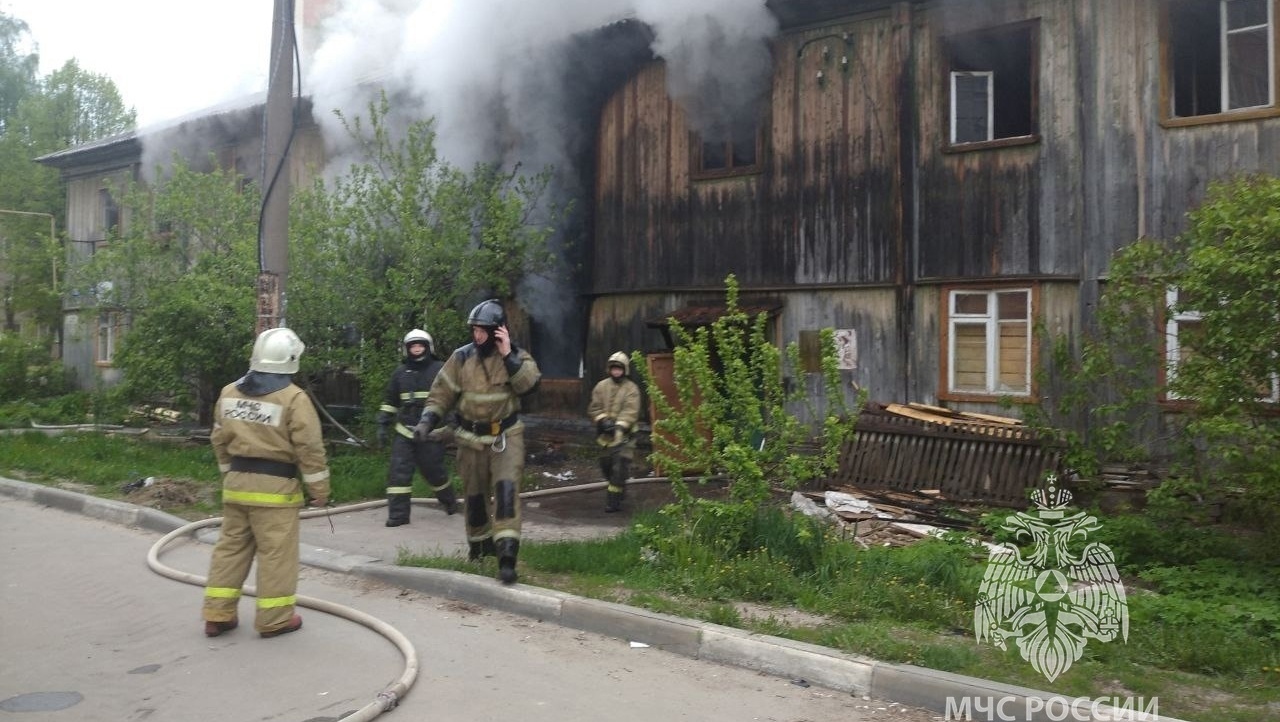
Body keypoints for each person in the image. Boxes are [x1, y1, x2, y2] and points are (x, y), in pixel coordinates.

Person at [202, 327, 331, 639]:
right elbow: (309, 448)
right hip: (275, 492)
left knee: (230, 550)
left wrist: (228, 474)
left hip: (236, 486)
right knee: (276, 555)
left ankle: (217, 615)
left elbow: (218, 439)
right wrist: (320, 490)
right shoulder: (294, 399)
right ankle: (274, 619)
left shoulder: (229, 392)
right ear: (290, 359)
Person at [415, 299, 541, 584]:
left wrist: (509, 357)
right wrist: (427, 422)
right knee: (474, 499)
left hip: (505, 438)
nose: (477, 335)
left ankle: (507, 557)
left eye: (483, 330)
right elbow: (441, 393)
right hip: (470, 439)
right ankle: (480, 549)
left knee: (506, 494)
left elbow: (529, 387)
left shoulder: (518, 357)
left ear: (499, 331)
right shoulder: (461, 358)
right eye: (474, 330)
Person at [376, 328, 458, 526]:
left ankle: (449, 501)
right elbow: (390, 401)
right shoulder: (400, 373)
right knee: (398, 472)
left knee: (434, 472)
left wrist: (453, 424)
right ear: (406, 349)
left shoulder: (441, 369)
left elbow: (452, 398)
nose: (417, 349)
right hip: (404, 431)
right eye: (413, 346)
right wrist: (382, 423)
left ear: (428, 347)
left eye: (420, 345)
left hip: (430, 432)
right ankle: (398, 516)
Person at [587, 351, 642, 512]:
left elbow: (631, 411)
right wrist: (603, 420)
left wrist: (618, 425)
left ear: (625, 370)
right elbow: (594, 407)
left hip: (625, 436)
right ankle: (618, 487)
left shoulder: (631, 389)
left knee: (620, 468)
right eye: (614, 369)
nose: (616, 372)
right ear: (609, 369)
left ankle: (614, 501)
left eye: (619, 369)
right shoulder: (601, 386)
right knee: (607, 466)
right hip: (605, 437)